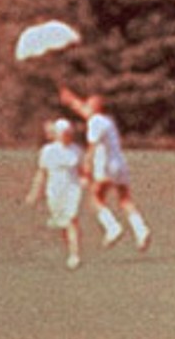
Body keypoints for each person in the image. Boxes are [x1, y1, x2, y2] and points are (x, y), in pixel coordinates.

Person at [58, 85, 151, 251]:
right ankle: (141, 230)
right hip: (120, 164)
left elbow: (92, 146)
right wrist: (71, 99)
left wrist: (86, 167)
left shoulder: (94, 122)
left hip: (106, 166)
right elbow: (83, 110)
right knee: (125, 200)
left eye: (89, 104)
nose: (86, 106)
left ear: (95, 107)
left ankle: (112, 227)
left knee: (96, 199)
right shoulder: (107, 120)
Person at [25, 118, 87, 269]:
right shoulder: (48, 151)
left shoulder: (77, 150)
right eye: (64, 133)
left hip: (72, 188)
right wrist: (34, 193)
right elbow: (41, 173)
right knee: (64, 223)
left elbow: (83, 170)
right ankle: (69, 248)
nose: (67, 136)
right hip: (54, 190)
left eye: (69, 133)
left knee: (72, 219)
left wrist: (85, 181)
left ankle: (74, 254)